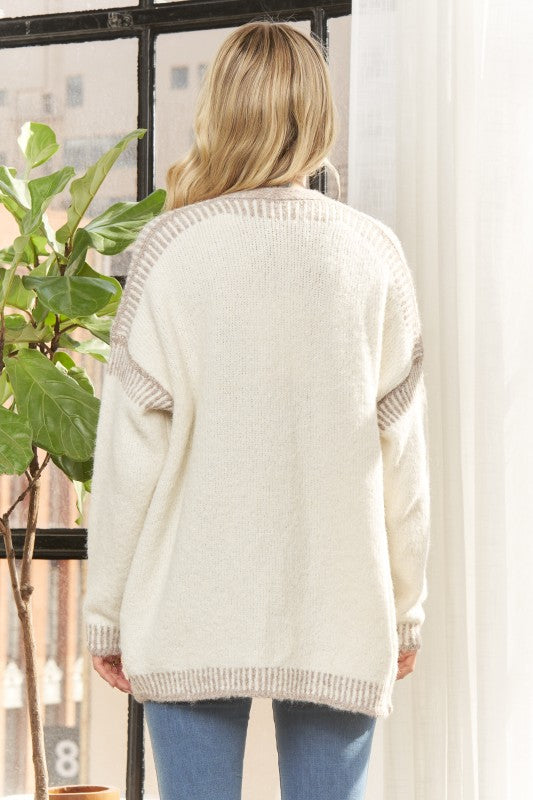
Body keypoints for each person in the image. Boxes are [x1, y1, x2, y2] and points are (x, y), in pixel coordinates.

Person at [83, 19, 431, 800]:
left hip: (189, 607)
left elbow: (129, 459)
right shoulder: (372, 257)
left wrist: (105, 616)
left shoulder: (170, 251)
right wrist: (405, 611)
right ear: (319, 115)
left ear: (218, 111)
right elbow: (402, 465)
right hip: (340, 609)